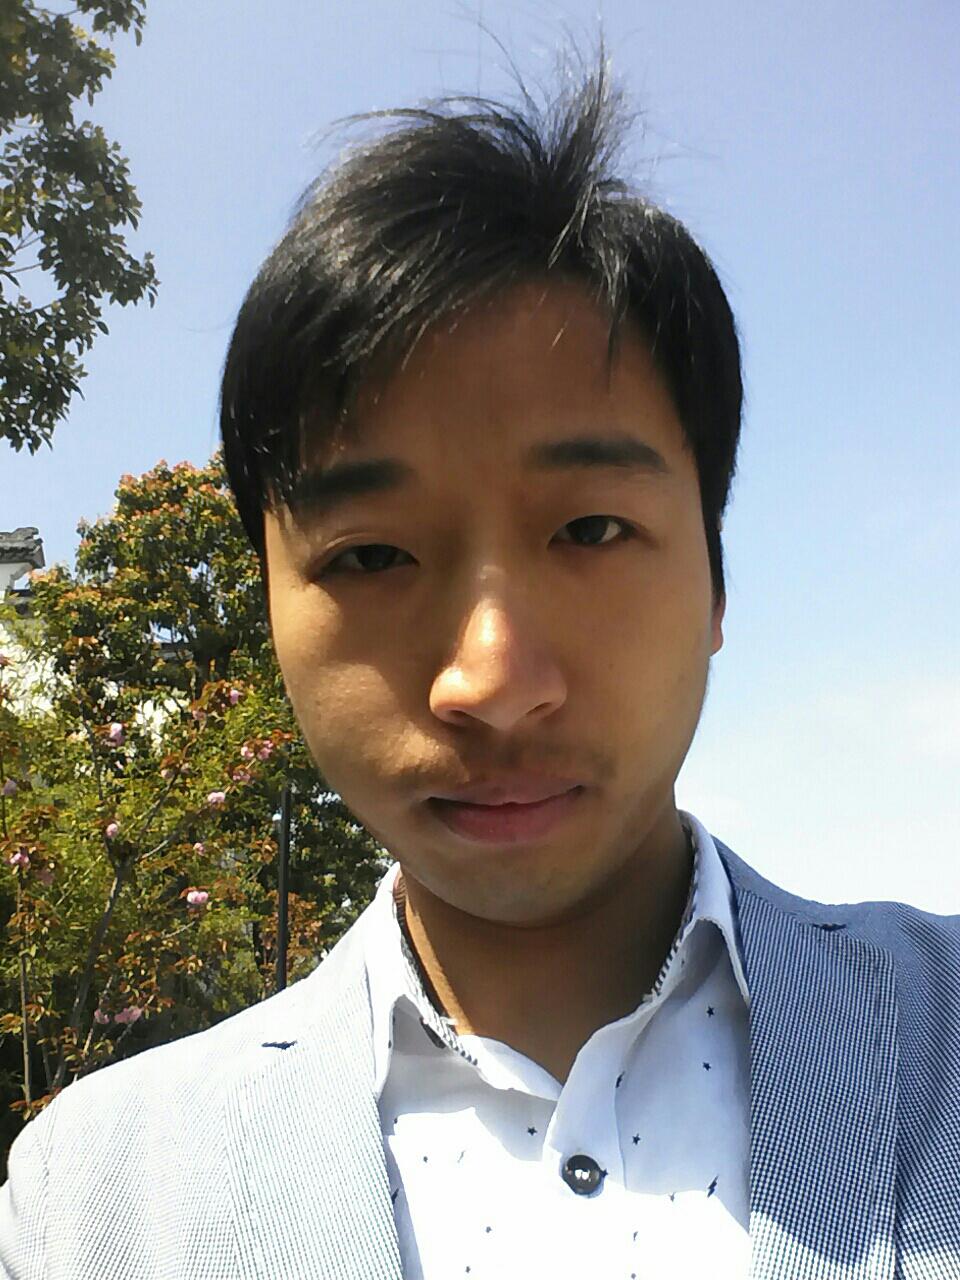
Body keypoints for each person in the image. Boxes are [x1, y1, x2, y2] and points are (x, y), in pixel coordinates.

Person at [2, 56, 958, 1280]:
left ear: (716, 583)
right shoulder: (90, 1202)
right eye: (372, 554)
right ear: (272, 612)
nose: (494, 682)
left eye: (591, 529)